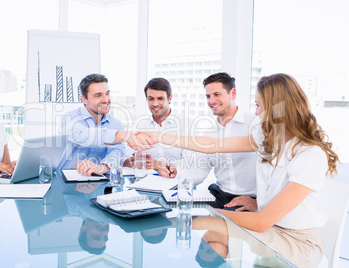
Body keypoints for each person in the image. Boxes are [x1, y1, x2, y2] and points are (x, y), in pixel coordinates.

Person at [133, 73, 339, 267]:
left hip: (296, 243)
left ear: (279, 108)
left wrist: (207, 215)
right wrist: (157, 136)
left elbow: (261, 221)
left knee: (214, 227)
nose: (257, 112)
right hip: (269, 231)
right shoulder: (267, 138)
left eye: (260, 106)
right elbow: (212, 145)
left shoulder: (310, 154)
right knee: (215, 231)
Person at [161, 72, 259, 210]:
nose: (211, 101)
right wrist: (176, 172)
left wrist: (259, 203)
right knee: (174, 209)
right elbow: (199, 172)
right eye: (208, 96)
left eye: (217, 94)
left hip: (251, 197)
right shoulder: (208, 133)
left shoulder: (255, 124)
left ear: (233, 93)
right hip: (219, 196)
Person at [124, 77, 197, 178]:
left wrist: (157, 165)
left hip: (177, 185)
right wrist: (133, 162)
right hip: (145, 185)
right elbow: (126, 158)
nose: (155, 104)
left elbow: (191, 163)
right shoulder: (141, 125)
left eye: (160, 98)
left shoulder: (187, 124)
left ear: (170, 98)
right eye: (151, 99)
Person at [58, 73, 126, 176]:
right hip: (65, 182)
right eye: (98, 95)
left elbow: (116, 153)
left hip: (99, 182)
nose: (106, 100)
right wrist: (119, 135)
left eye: (107, 93)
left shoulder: (116, 124)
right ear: (84, 99)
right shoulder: (69, 118)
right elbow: (82, 135)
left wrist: (101, 167)